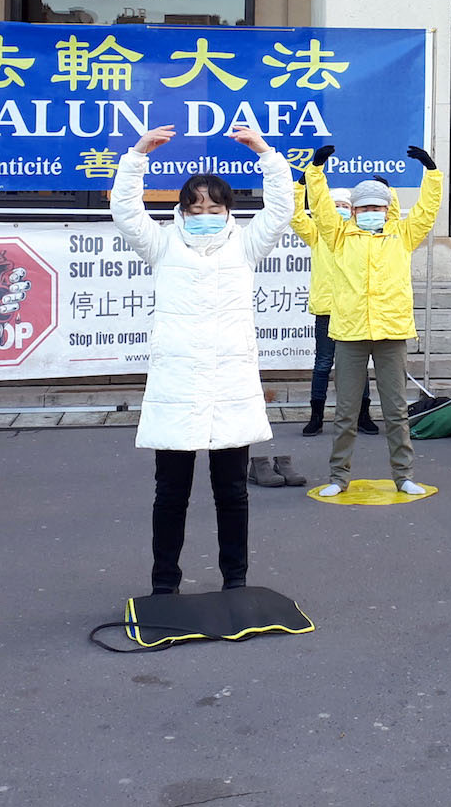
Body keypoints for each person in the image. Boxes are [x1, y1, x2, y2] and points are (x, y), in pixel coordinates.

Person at [110, 122, 294, 594]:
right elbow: (125, 212)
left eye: (214, 208)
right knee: (171, 494)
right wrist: (137, 154)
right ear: (182, 211)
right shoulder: (163, 244)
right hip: (177, 388)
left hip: (229, 388)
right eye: (195, 209)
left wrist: (264, 152)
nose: (205, 215)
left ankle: (236, 582)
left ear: (229, 210)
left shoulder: (246, 245)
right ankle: (164, 586)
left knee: (231, 493)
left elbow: (281, 209)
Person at [302, 143, 444, 498]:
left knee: (396, 411)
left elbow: (427, 211)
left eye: (377, 207)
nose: (370, 212)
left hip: (391, 332)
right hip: (349, 333)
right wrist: (315, 172)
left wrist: (431, 173)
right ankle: (338, 477)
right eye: (364, 207)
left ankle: (404, 475)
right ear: (353, 210)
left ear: (387, 208)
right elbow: (320, 208)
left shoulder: (402, 235)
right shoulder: (338, 236)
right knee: (346, 412)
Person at [290, 179, 375, 437]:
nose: (340, 210)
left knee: (358, 365)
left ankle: (363, 414)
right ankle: (316, 416)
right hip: (327, 310)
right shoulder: (318, 233)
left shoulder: (358, 234)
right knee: (323, 363)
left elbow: (388, 220)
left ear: (352, 210)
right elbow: (295, 216)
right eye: (335, 205)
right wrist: (300, 188)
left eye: (344, 206)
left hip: (353, 310)